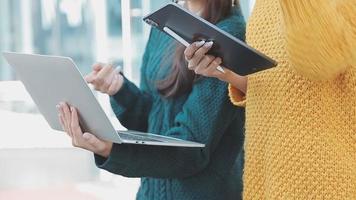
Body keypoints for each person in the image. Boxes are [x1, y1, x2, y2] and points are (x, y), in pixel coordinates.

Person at [57, 0, 247, 199]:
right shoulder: (167, 22)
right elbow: (151, 123)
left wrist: (111, 150)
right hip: (150, 193)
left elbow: (192, 150)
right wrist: (120, 89)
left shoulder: (229, 35)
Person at [184, 0, 356, 199]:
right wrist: (225, 72)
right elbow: (278, 85)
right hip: (267, 176)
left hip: (325, 183)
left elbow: (317, 64)